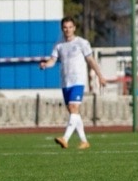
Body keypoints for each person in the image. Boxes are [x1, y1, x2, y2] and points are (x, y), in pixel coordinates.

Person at [40, 16, 105, 149]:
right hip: (65, 82)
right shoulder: (59, 44)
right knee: (72, 111)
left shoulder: (82, 43)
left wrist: (100, 75)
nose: (67, 30)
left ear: (74, 28)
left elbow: (91, 60)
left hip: (78, 80)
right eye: (65, 27)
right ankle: (84, 141)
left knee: (74, 108)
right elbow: (53, 60)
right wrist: (45, 64)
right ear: (62, 29)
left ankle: (65, 138)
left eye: (70, 27)